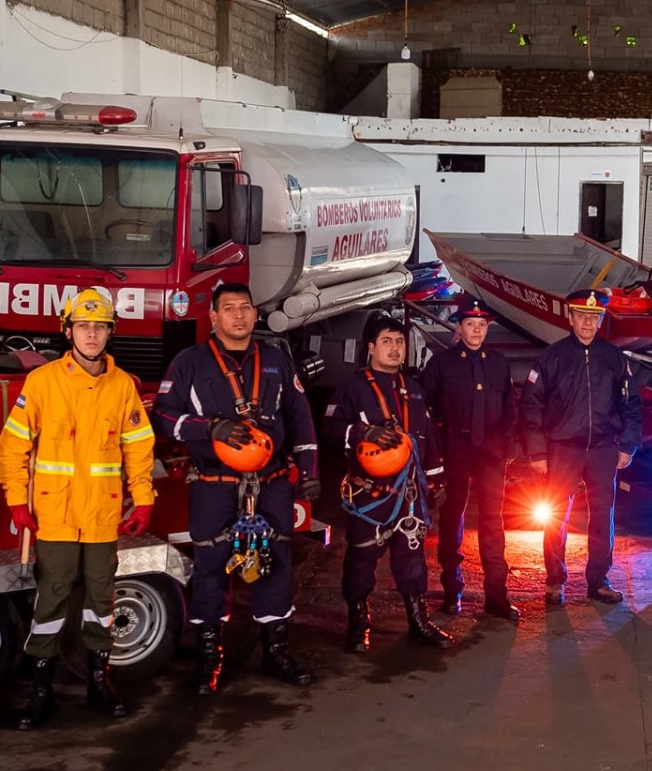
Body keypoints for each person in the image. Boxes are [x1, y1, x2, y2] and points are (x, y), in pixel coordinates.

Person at [0, 288, 156, 729]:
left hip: (103, 515)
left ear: (109, 333)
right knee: (51, 599)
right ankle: (41, 689)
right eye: (83, 326)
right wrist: (16, 500)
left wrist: (143, 498)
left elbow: (138, 449)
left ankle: (99, 681)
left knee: (101, 599)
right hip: (56, 516)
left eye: (100, 327)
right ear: (67, 331)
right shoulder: (42, 382)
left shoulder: (122, 386)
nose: (91, 334)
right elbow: (12, 448)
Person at [155, 282, 320, 694]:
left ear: (255, 313)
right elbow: (164, 416)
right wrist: (209, 427)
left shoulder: (276, 359)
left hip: (272, 483)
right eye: (229, 308)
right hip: (215, 484)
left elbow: (299, 416)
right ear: (213, 317)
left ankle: (276, 652)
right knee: (211, 566)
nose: (239, 315)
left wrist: (309, 470)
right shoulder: (190, 362)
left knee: (275, 564)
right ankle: (209, 657)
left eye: (245, 307)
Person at [328, 312, 452, 652]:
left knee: (412, 559)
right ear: (371, 347)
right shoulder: (352, 389)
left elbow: (427, 437)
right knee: (361, 560)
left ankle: (418, 622)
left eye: (399, 342)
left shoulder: (414, 390)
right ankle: (358, 626)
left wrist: (435, 479)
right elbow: (330, 429)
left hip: (409, 495)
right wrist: (362, 432)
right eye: (387, 342)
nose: (395, 348)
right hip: (370, 496)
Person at [521, 290, 641, 607]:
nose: (588, 323)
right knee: (555, 516)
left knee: (603, 516)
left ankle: (598, 581)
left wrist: (628, 445)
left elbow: (631, 404)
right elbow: (530, 405)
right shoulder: (552, 357)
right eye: (582, 316)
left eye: (594, 317)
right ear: (570, 318)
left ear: (601, 321)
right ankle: (554, 580)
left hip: (603, 448)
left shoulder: (615, 359)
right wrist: (537, 451)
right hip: (562, 448)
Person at [420, 297, 519, 621]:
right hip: (455, 448)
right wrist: (435, 449)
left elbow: (509, 407)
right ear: (459, 327)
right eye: (470, 324)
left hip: (490, 450)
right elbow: (424, 408)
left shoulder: (498, 363)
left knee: (493, 521)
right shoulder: (441, 364)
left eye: (481, 325)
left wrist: (506, 446)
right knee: (452, 520)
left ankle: (496, 595)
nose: (476, 330)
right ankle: (452, 590)